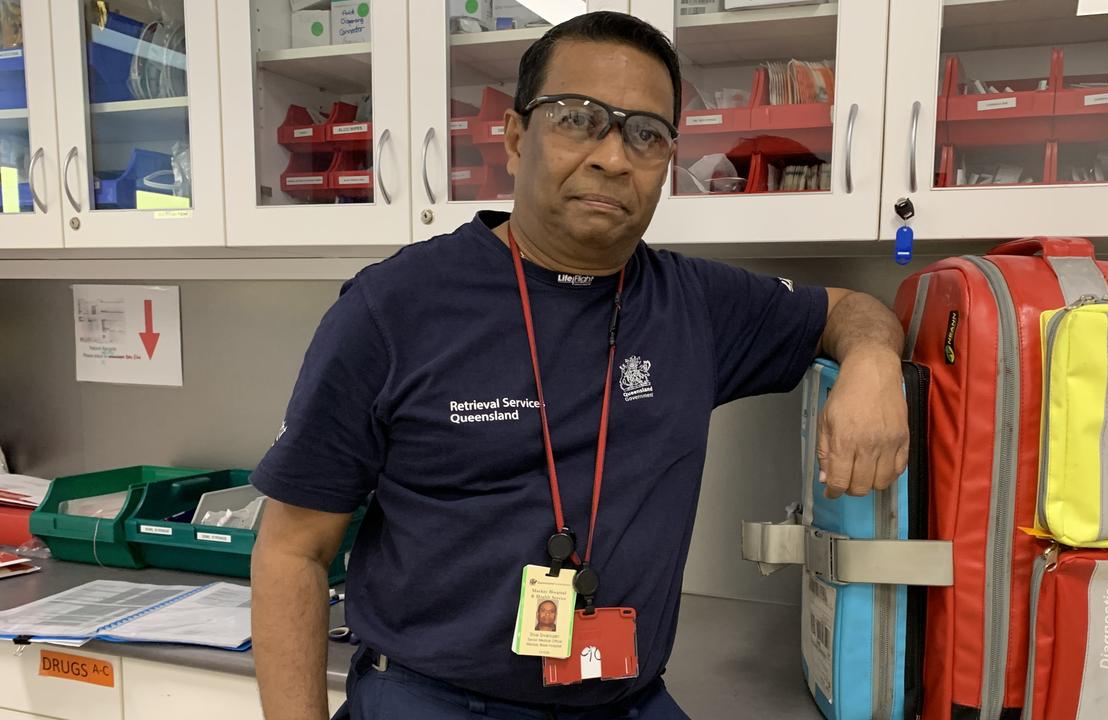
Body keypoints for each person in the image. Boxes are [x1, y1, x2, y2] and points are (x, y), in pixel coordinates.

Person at [250, 11, 907, 720]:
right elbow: (292, 552)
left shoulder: (697, 305)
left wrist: (873, 362)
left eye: (645, 134)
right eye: (577, 119)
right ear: (513, 135)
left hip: (623, 695)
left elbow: (853, 310)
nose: (612, 157)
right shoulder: (393, 309)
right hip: (431, 697)